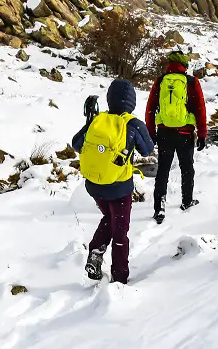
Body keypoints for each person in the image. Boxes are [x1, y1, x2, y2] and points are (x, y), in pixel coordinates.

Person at [72, 78, 154, 284]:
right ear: (132, 102)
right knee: (120, 233)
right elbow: (147, 150)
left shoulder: (98, 120)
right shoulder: (133, 124)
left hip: (93, 184)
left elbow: (76, 144)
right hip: (119, 187)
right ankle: (119, 279)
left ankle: (96, 252)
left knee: (109, 218)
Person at [145, 50, 207, 224]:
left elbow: (150, 108)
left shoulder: (160, 81)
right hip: (185, 133)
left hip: (164, 132)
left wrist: (151, 133)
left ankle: (159, 208)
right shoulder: (191, 82)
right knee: (187, 168)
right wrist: (202, 134)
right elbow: (200, 109)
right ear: (184, 65)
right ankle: (187, 201)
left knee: (163, 169)